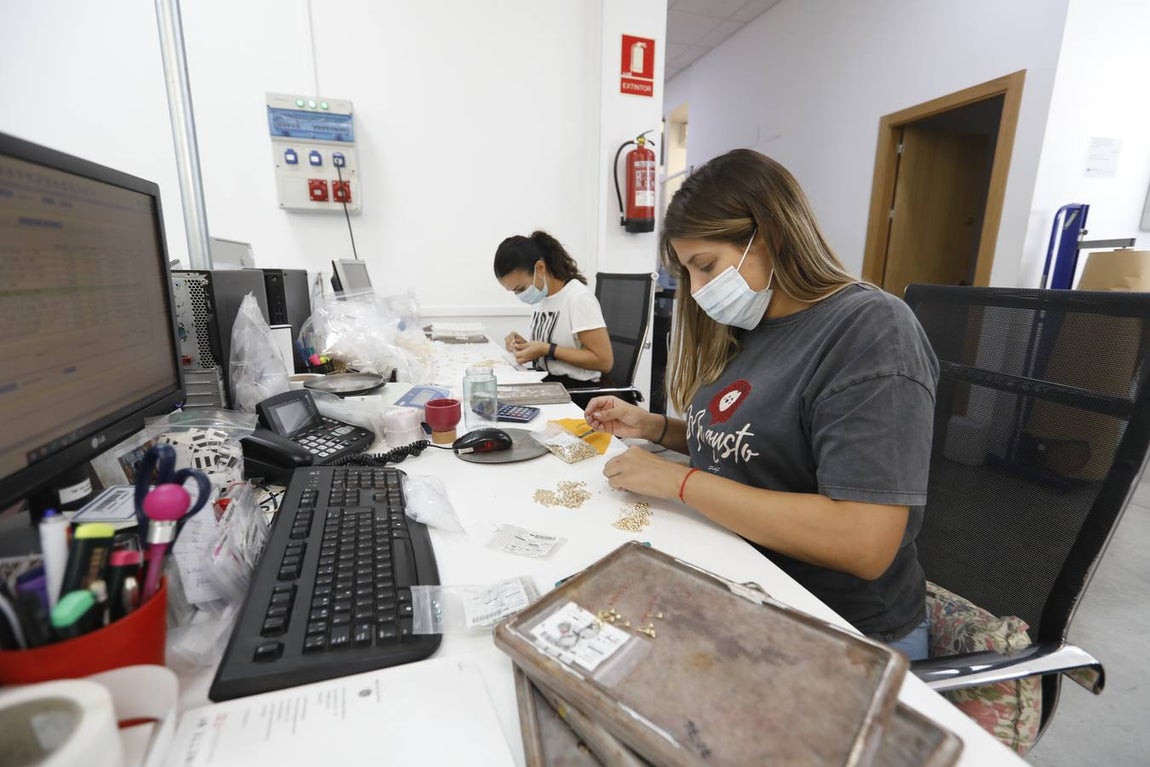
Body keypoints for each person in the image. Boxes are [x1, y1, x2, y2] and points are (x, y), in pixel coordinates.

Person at [583, 149, 939, 660]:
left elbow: (864, 541)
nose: (701, 291)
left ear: (769, 233)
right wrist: (658, 428)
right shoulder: (751, 324)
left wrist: (679, 482)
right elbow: (761, 444)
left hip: (838, 627)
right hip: (740, 576)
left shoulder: (871, 331)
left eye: (706, 266)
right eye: (690, 275)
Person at [494, 231, 613, 403]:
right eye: (514, 291)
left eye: (520, 288)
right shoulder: (542, 299)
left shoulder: (577, 298)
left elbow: (604, 361)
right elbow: (553, 344)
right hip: (549, 384)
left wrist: (546, 349)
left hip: (578, 392)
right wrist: (525, 347)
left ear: (540, 268)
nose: (519, 295)